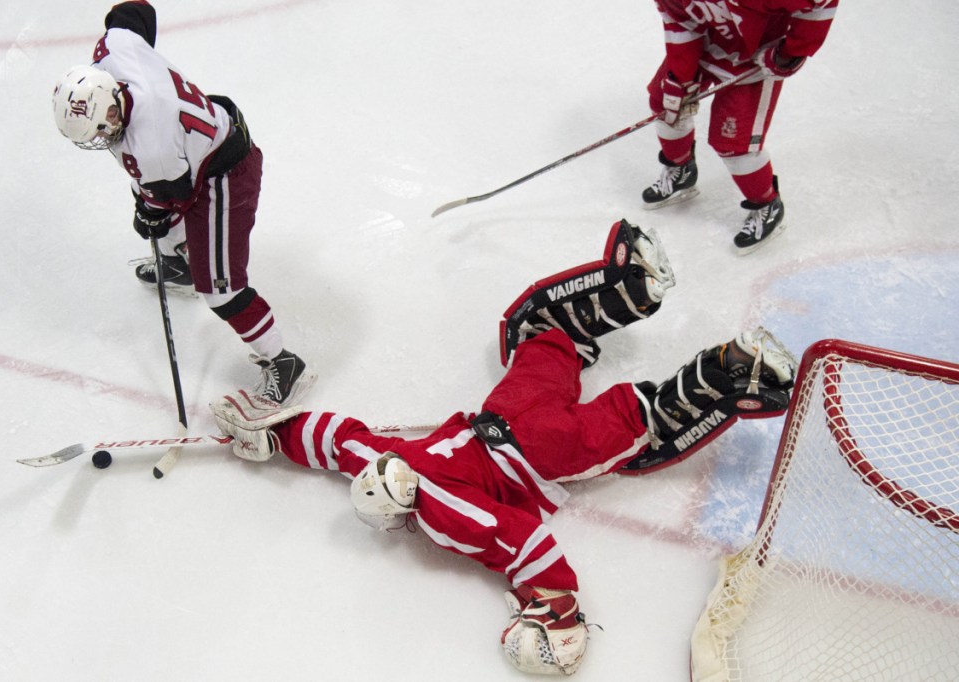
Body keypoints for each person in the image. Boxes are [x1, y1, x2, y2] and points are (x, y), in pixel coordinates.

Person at [208, 220, 799, 675]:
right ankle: (631, 284)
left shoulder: (440, 514)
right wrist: (273, 432)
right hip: (509, 410)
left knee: (642, 423)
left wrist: (554, 607)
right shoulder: (385, 459)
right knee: (540, 334)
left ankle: (739, 368)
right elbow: (338, 441)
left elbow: (521, 542)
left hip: (548, 452)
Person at [50, 1, 307, 403]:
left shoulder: (150, 145)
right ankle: (176, 265)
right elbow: (134, 13)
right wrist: (149, 209)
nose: (103, 135)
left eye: (104, 125)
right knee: (155, 214)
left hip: (226, 175)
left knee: (220, 288)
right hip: (197, 149)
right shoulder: (114, 50)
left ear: (112, 102)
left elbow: (176, 197)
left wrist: (148, 212)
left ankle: (283, 361)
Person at [642, 0, 838, 254]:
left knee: (734, 145)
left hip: (754, 62)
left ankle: (767, 204)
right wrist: (681, 77)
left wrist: (792, 51)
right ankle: (681, 169)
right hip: (707, 44)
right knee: (665, 103)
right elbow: (681, 19)